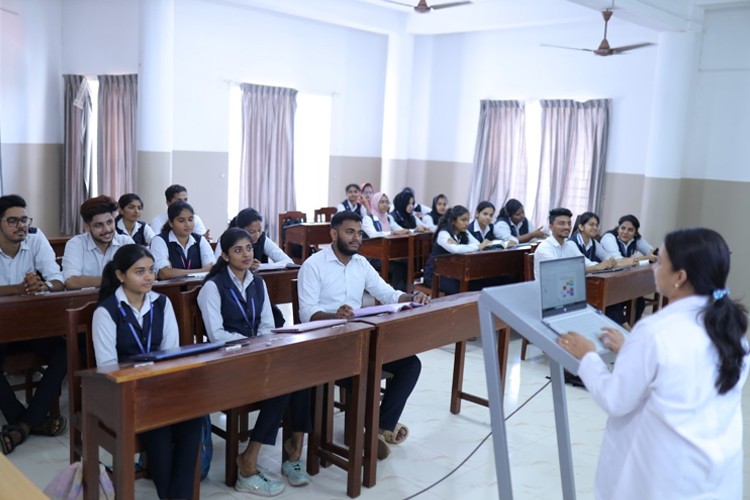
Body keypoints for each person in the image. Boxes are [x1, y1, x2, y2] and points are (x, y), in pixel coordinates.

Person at [558, 228, 749, 499]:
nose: (654, 266)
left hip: (665, 476)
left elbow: (615, 399)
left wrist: (588, 355)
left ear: (679, 277)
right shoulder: (731, 333)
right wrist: (631, 351)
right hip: (713, 473)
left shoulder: (655, 332)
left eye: (660, 261)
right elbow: (682, 373)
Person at [297, 211, 428, 460]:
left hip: (358, 339)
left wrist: (412, 298)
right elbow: (307, 313)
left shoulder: (361, 264)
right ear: (333, 234)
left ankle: (378, 429)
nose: (357, 238)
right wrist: (334, 316)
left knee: (410, 364)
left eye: (359, 233)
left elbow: (388, 293)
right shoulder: (313, 265)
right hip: (326, 346)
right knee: (365, 371)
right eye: (350, 232)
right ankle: (370, 429)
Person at [198, 228, 311, 495]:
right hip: (226, 363)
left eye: (249, 248)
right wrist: (251, 344)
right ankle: (249, 461)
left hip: (256, 357)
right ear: (224, 256)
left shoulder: (257, 283)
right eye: (237, 250)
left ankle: (293, 452)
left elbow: (268, 326)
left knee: (302, 374)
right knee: (282, 383)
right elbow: (217, 336)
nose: (246, 254)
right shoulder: (212, 288)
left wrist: (261, 347)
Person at [92, 244, 202, 499]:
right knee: (159, 424)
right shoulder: (106, 311)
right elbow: (108, 367)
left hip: (160, 387)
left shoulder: (162, 303)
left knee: (194, 416)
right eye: (139, 271)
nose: (149, 277)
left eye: (151, 270)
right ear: (120, 275)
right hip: (124, 390)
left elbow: (171, 353)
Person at [0, 195, 67, 455]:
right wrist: (17, 289)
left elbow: (57, 279)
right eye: (12, 220)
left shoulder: (36, 238)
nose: (20, 226)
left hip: (30, 323)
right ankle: (31, 420)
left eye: (24, 220)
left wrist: (45, 286)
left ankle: (23, 425)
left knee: (64, 351)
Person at [215, 208, 293, 327]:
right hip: (231, 292)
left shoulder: (262, 238)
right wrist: (243, 266)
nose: (256, 235)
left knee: (276, 319)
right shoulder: (226, 240)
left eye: (259, 230)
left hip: (256, 290)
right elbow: (217, 268)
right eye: (251, 232)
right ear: (240, 229)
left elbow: (287, 261)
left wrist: (261, 266)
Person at [63, 195, 135, 290]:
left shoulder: (125, 242)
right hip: (87, 302)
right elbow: (71, 281)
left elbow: (139, 272)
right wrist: (114, 280)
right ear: (86, 227)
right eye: (99, 225)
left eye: (109, 222)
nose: (107, 229)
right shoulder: (76, 244)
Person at [423, 205, 491, 295]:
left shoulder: (464, 232)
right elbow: (456, 250)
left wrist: (463, 246)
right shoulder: (443, 233)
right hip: (436, 274)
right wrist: (475, 247)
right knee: (459, 289)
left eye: (468, 220)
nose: (467, 223)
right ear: (453, 221)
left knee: (478, 284)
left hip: (453, 272)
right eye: (463, 220)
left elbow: (477, 243)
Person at [150, 201, 214, 280]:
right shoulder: (160, 240)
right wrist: (202, 271)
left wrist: (175, 272)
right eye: (181, 220)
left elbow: (211, 269)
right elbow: (164, 273)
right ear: (170, 223)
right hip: (170, 290)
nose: (187, 224)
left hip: (197, 288)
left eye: (190, 219)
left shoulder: (200, 240)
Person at [533, 207, 586, 279]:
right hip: (548, 288)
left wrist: (602, 265)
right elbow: (559, 272)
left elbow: (585, 263)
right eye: (562, 223)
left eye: (569, 223)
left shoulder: (571, 244)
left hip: (567, 286)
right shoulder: (544, 249)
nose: (567, 227)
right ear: (551, 227)